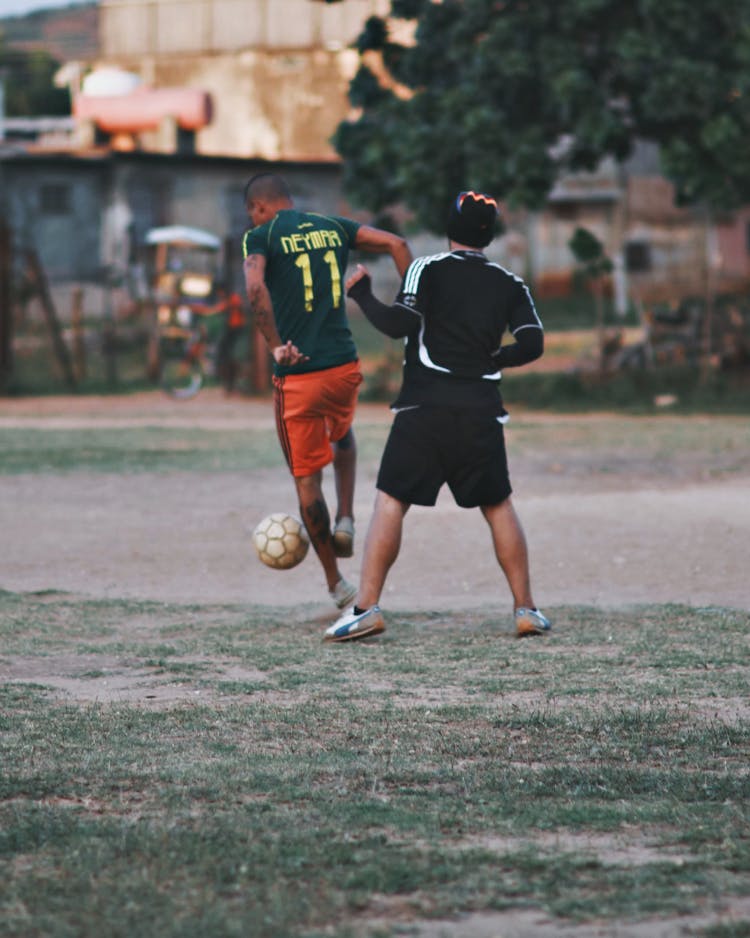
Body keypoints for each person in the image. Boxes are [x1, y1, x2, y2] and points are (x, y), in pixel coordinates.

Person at [324, 190, 550, 642]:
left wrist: (363, 296)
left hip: (424, 409)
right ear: (490, 235)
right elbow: (533, 343)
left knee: (391, 500)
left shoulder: (426, 268)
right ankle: (526, 609)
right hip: (480, 412)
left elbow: (400, 325)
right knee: (498, 504)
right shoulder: (510, 283)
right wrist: (497, 357)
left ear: (449, 228)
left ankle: (365, 609)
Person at [242, 173, 413, 609]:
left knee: (306, 480)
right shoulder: (333, 225)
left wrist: (275, 345)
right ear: (289, 199)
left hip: (299, 377)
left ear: (258, 208)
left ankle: (336, 582)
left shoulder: (261, 236)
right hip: (344, 366)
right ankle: (347, 518)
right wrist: (414, 313)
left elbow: (255, 285)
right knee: (342, 434)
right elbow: (396, 243)